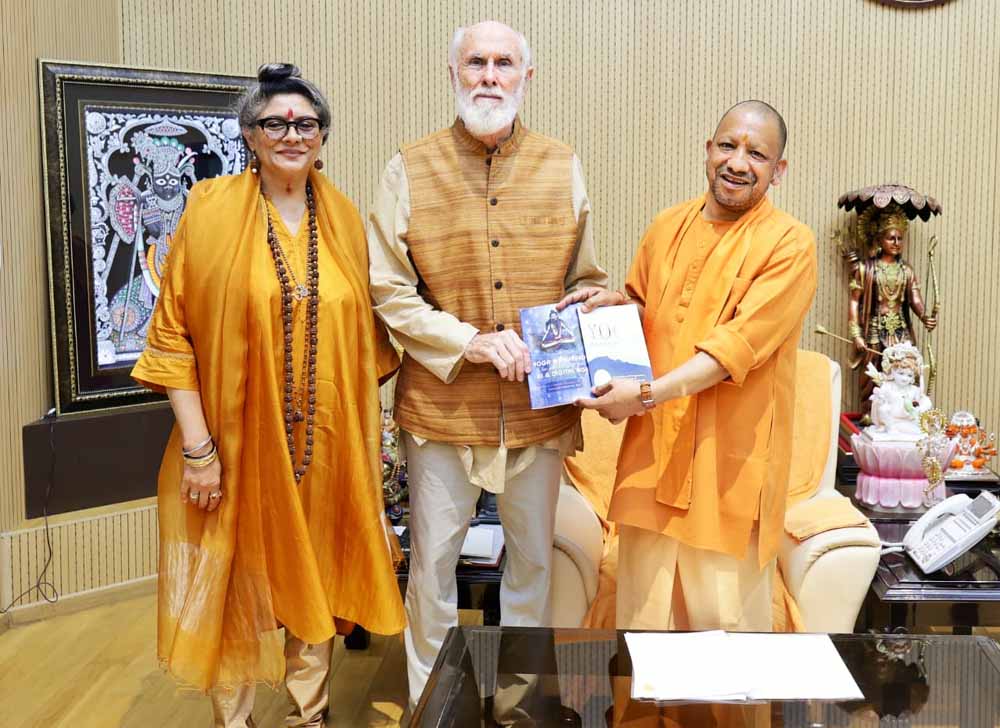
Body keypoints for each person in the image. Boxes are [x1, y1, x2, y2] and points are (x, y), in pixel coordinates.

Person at [131, 63, 404, 728]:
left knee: (318, 573)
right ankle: (236, 719)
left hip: (325, 446)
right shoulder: (209, 210)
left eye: (305, 124)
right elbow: (172, 338)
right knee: (236, 583)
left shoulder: (343, 218)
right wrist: (199, 451)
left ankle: (309, 714)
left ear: (322, 136)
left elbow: (364, 344)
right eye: (275, 123)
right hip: (234, 449)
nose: (291, 135)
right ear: (250, 135)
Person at [367, 20, 608, 705]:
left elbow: (583, 278)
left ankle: (519, 705)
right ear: (454, 73)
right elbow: (387, 289)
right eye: (477, 62)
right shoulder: (408, 167)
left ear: (527, 77)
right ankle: (434, 706)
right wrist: (467, 341)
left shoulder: (563, 164)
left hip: (537, 412)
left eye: (505, 63)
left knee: (533, 566)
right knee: (433, 571)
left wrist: (594, 301)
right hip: (440, 412)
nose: (490, 76)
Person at [565, 100, 817, 633]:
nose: (738, 162)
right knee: (642, 631)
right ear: (708, 150)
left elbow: (730, 352)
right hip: (652, 459)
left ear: (778, 170)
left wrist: (645, 395)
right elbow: (648, 312)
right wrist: (612, 310)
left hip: (726, 471)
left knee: (724, 644)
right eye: (728, 145)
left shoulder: (790, 244)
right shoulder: (666, 226)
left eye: (757, 154)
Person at [846, 204, 937, 410]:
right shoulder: (865, 269)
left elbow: (915, 299)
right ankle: (871, 410)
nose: (896, 243)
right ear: (880, 240)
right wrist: (856, 334)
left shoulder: (906, 270)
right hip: (875, 328)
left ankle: (904, 410)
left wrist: (924, 316)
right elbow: (854, 301)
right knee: (873, 370)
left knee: (905, 369)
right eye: (891, 238)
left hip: (900, 330)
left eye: (900, 238)